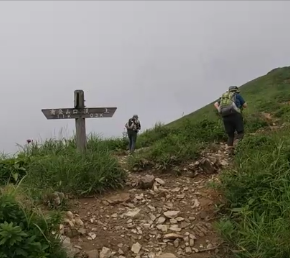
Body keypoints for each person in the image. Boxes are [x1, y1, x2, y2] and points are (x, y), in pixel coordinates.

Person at [214, 86, 247, 154]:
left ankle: (230, 151)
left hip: (225, 117)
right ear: (236, 90)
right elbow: (245, 105)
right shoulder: (237, 95)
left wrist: (219, 110)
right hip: (235, 115)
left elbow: (216, 104)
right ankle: (240, 148)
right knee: (240, 132)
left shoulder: (224, 97)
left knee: (230, 135)